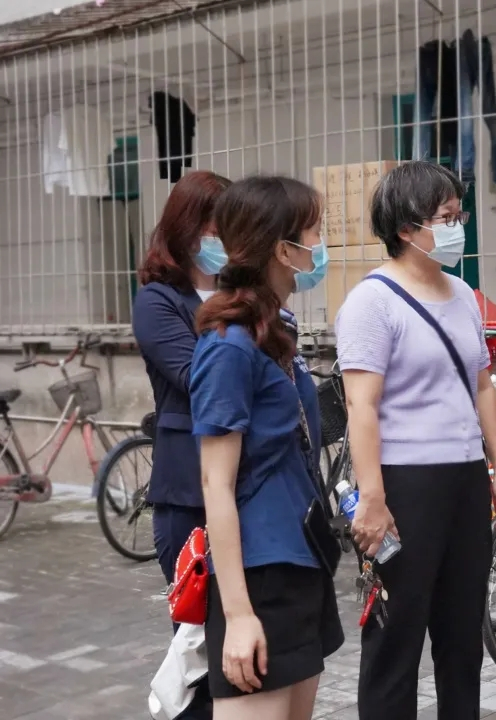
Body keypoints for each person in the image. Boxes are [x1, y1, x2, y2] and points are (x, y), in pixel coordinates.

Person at [336, 161, 496, 720]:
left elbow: (481, 385)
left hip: (464, 478)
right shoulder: (372, 301)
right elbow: (361, 406)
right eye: (446, 217)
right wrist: (372, 498)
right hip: (404, 485)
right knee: (397, 637)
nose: (457, 227)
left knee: (462, 637)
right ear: (406, 227)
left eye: (459, 215)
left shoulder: (462, 294)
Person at [189, 175, 343, 719]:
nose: (320, 245)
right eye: (314, 232)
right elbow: (216, 483)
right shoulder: (229, 346)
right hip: (259, 573)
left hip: (300, 559)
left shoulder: (273, 332)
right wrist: (238, 615)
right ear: (283, 249)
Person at [132, 169, 231, 719]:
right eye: (215, 228)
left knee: (244, 649)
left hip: (245, 488)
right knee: (198, 649)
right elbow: (200, 378)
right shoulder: (157, 301)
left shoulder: (242, 291)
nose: (224, 240)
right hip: (187, 490)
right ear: (187, 228)